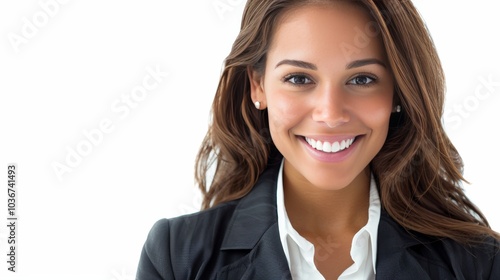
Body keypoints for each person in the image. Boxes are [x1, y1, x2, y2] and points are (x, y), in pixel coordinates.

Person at [136, 0, 500, 279]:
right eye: (298, 79)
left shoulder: (479, 263)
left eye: (361, 79)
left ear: (398, 93)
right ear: (257, 86)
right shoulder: (176, 258)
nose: (330, 113)